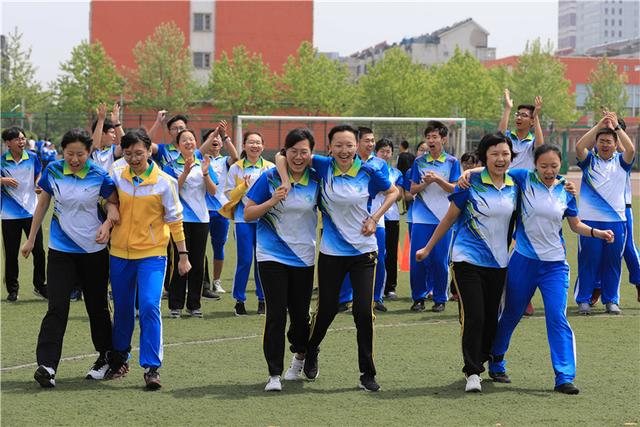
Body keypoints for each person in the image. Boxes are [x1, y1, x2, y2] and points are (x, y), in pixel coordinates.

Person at [466, 144, 613, 395]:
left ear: (561, 166)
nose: (548, 170)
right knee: (512, 313)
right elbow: (496, 169)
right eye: (544, 166)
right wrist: (467, 174)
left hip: (555, 265)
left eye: (553, 166)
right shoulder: (523, 178)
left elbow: (575, 224)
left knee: (557, 317)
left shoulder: (565, 189)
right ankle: (497, 359)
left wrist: (596, 232)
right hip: (523, 261)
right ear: (535, 165)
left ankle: (564, 376)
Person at [279, 124, 397, 392]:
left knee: (363, 312)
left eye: (349, 145)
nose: (344, 150)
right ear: (329, 148)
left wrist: (375, 218)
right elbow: (282, 156)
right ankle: (310, 350)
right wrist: (286, 181)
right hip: (331, 253)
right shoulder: (322, 166)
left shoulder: (370, 170)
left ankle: (367, 373)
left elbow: (393, 192)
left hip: (364, 252)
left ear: (357, 147)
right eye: (338, 146)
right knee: (327, 308)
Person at [416, 132, 517, 393]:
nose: (500, 158)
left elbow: (544, 176)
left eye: (505, 154)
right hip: (466, 258)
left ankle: (486, 358)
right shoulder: (468, 184)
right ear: (485, 156)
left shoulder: (514, 184)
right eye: (494, 154)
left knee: (491, 318)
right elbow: (449, 219)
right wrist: (428, 248)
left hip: (498, 262)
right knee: (475, 315)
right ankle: (473, 371)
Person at [21, 128, 119, 388]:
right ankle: (47, 365)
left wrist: (107, 224)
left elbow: (113, 203)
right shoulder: (53, 170)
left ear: (89, 153)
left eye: (80, 154)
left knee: (96, 307)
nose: (74, 159)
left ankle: (106, 358)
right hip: (60, 250)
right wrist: (31, 239)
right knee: (57, 307)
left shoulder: (99, 174)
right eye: (69, 154)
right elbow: (42, 204)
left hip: (94, 252)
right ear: (62, 152)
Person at [106, 129, 191, 390]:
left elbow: (175, 220)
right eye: (128, 153)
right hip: (119, 253)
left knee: (149, 306)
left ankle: (152, 367)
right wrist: (110, 208)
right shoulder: (116, 175)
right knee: (121, 309)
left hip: (152, 255)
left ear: (149, 151)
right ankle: (120, 358)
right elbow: (107, 199)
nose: (133, 158)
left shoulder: (165, 181)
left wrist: (183, 255)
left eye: (139, 153)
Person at [245, 128, 320, 392]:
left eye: (304, 152)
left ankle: (301, 355)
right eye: (293, 151)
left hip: (303, 256)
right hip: (271, 255)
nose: (298, 157)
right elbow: (248, 214)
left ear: (311, 153)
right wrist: (272, 200)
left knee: (300, 316)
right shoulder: (268, 178)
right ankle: (274, 374)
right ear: (284, 152)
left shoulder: (316, 179)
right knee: (275, 313)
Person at [574, 112, 635, 315]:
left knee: (613, 262)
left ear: (616, 144)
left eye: (609, 141)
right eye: (601, 141)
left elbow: (631, 149)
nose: (605, 144)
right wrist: (600, 124)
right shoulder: (588, 161)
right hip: (590, 221)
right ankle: (583, 299)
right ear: (597, 143)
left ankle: (611, 300)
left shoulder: (622, 162)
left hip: (616, 221)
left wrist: (616, 126)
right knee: (588, 261)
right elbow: (579, 146)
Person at [163, 129, 218, 318]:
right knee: (180, 260)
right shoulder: (171, 166)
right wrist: (185, 172)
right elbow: (171, 191)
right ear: (177, 145)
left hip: (201, 219)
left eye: (192, 139)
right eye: (184, 140)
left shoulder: (204, 163)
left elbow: (213, 191)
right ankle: (175, 304)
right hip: (180, 220)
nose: (189, 142)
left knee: (198, 262)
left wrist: (205, 174)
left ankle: (194, 304)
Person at [409, 121, 461, 313]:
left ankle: (440, 297)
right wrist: (425, 184)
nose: (431, 141)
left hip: (444, 218)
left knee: (440, 260)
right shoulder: (419, 162)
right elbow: (412, 189)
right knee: (418, 259)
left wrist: (438, 180)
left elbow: (456, 188)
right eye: (428, 137)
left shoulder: (452, 162)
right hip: (421, 217)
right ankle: (419, 297)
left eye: (435, 137)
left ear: (443, 139)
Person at [221, 131, 274, 316]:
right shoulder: (236, 168)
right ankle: (239, 300)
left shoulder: (269, 168)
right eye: (251, 142)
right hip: (243, 219)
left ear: (263, 146)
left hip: (264, 220)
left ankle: (262, 299)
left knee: (263, 260)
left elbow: (274, 193)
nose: (255, 146)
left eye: (258, 143)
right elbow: (228, 194)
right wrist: (242, 187)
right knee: (244, 260)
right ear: (244, 146)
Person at [337, 127, 389, 312]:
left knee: (379, 260)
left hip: (376, 221)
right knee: (346, 259)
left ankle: (376, 298)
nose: (371, 144)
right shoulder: (346, 163)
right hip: (350, 222)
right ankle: (345, 298)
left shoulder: (379, 164)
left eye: (372, 140)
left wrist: (374, 217)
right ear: (357, 143)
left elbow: (387, 190)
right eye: (367, 140)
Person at [1, 126, 47, 301]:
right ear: (8, 143)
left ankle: (40, 285)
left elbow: (38, 174)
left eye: (23, 138)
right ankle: (13, 289)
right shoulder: (1, 161)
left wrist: (37, 183)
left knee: (39, 251)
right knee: (11, 254)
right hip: (9, 214)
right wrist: (2, 180)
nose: (22, 141)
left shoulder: (33, 157)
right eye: (18, 139)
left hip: (32, 212)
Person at [200, 121, 238, 298]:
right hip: (200, 209)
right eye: (211, 138)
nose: (215, 140)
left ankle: (216, 282)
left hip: (221, 210)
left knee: (219, 246)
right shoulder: (198, 159)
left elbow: (236, 157)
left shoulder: (225, 161)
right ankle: (197, 282)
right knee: (198, 248)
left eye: (217, 138)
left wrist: (224, 135)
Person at [374, 139, 405, 302]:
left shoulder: (396, 173)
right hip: (376, 218)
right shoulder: (371, 169)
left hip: (391, 218)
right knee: (374, 254)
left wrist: (387, 190)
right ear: (376, 152)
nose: (385, 154)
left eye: (388, 151)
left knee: (391, 254)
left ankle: (390, 288)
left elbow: (398, 195)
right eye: (382, 151)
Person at [498, 89, 544, 170]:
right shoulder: (508, 137)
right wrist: (508, 108)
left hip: (525, 181)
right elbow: (499, 135)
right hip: (508, 181)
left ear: (532, 121)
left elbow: (540, 146)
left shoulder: (532, 142)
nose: (519, 118)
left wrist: (536, 116)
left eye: (524, 115)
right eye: (517, 114)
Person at [91, 102, 124, 172]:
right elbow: (94, 145)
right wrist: (101, 120)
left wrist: (117, 122)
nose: (115, 136)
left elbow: (126, 144)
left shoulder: (113, 150)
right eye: (112, 132)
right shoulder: (87, 151)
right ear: (102, 134)